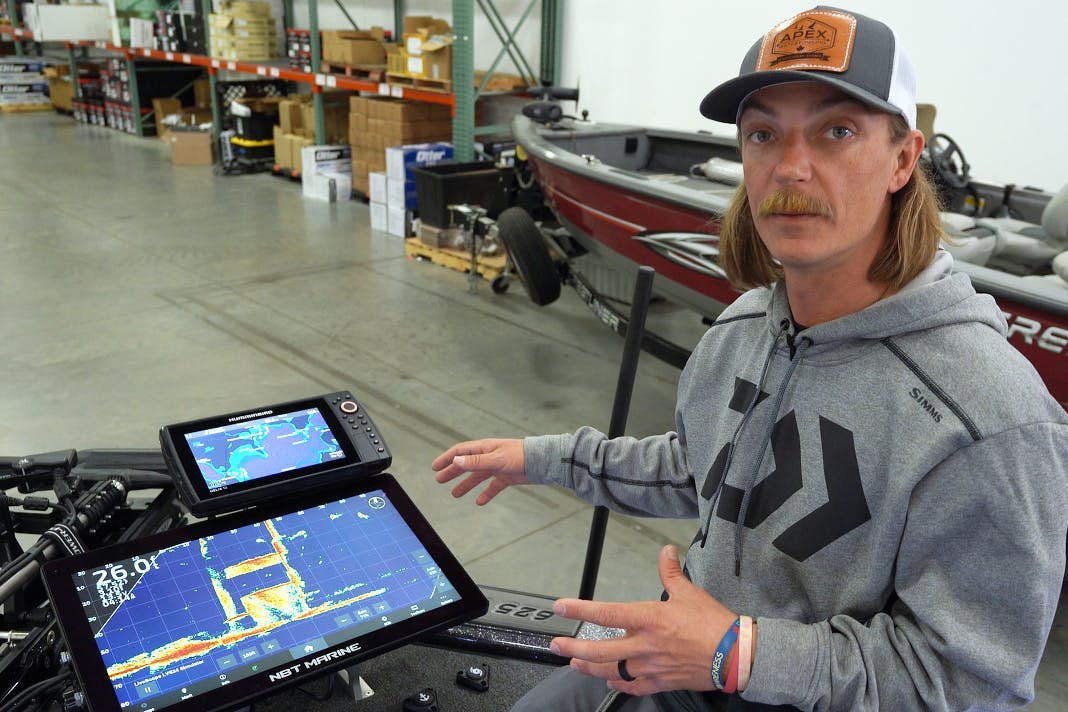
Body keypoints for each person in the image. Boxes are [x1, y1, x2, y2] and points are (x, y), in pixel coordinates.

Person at [432, 6, 1068, 711]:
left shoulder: (991, 418)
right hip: (685, 665)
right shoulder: (741, 329)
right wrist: (542, 459)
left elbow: (971, 684)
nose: (791, 167)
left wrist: (742, 654)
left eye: (837, 130)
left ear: (903, 159)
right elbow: (705, 469)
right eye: (763, 133)